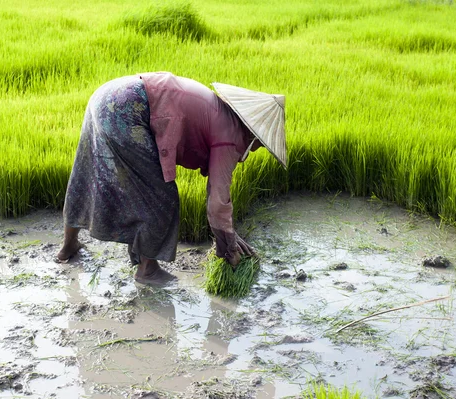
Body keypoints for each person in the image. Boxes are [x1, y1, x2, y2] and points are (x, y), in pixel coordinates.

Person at [56, 72, 286, 284]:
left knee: (88, 174)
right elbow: (217, 200)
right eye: (261, 144)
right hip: (128, 110)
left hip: (105, 96)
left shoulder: (219, 110)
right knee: (161, 197)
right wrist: (228, 246)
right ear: (254, 134)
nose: (257, 149)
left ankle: (68, 247)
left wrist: (229, 234)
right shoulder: (231, 136)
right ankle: (147, 269)